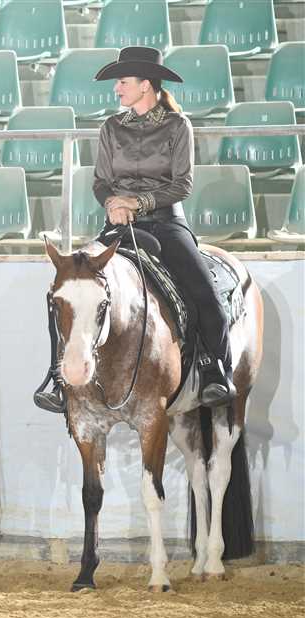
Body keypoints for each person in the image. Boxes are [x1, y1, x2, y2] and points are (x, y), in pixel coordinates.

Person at [33, 46, 236, 413]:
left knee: (207, 295)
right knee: (68, 288)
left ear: (146, 85)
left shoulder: (178, 126)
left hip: (166, 223)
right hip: (118, 224)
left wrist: (137, 203)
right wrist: (112, 203)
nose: (117, 89)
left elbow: (182, 184)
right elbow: (101, 182)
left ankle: (215, 371)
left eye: (123, 82)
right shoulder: (111, 127)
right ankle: (58, 377)